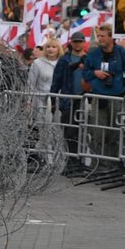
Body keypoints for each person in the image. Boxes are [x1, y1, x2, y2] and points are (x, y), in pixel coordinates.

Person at [81, 25, 125, 169]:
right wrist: (95, 73)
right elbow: (85, 73)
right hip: (99, 97)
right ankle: (97, 165)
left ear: (111, 37)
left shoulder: (122, 52)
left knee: (114, 134)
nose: (100, 39)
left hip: (117, 97)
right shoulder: (93, 53)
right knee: (98, 133)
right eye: (99, 36)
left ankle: (112, 165)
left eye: (103, 36)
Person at [49, 31, 89, 172]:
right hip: (68, 100)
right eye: (75, 41)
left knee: (83, 132)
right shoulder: (64, 60)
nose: (77, 44)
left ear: (84, 42)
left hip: (85, 100)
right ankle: (70, 162)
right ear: (71, 42)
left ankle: (80, 160)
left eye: (80, 41)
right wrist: (53, 101)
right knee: (69, 133)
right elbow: (56, 81)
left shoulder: (88, 58)